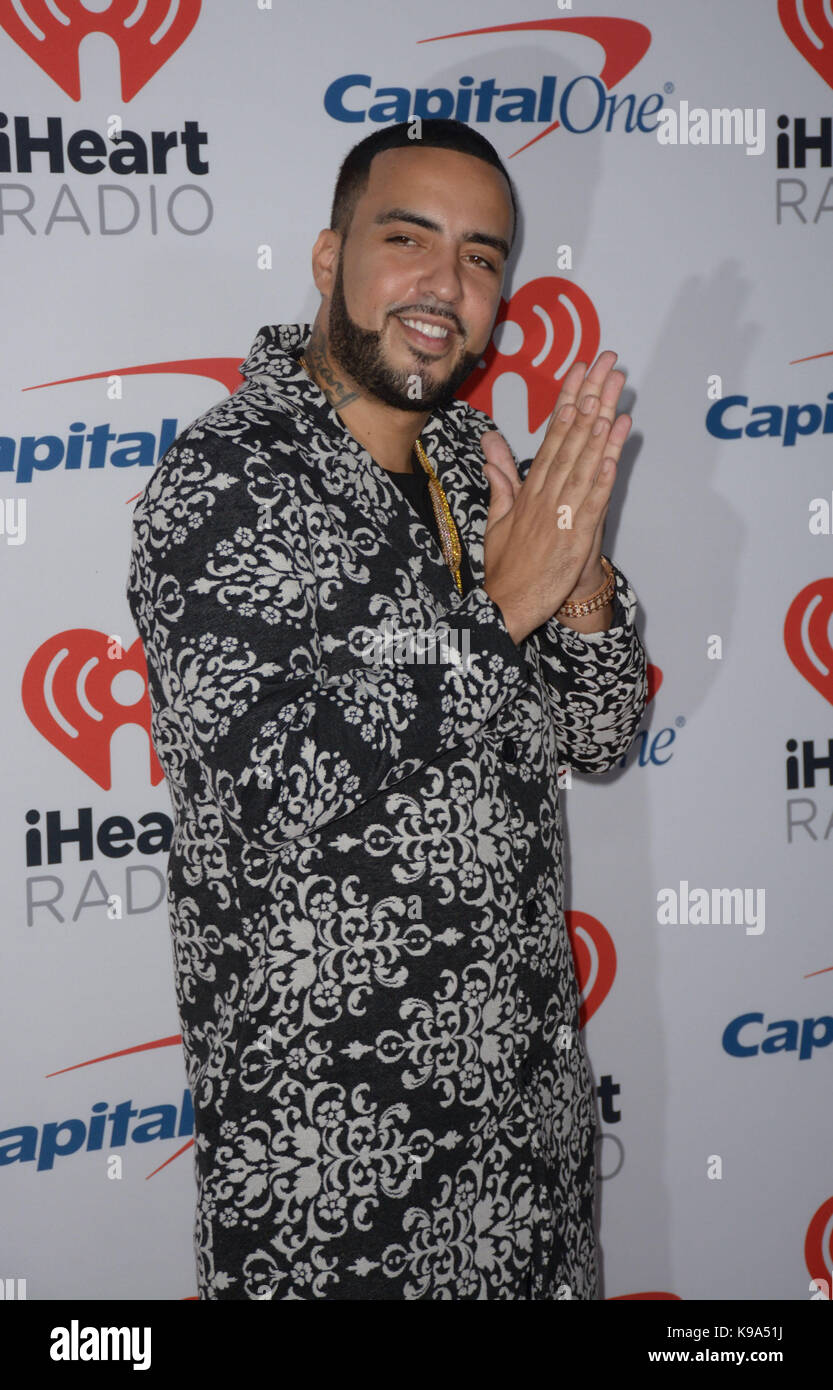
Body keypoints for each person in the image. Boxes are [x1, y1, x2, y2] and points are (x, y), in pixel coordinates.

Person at [126, 118, 647, 1300]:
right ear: (328, 259)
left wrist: (581, 582)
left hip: (525, 1149)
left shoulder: (480, 461)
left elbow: (600, 737)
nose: (444, 285)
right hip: (333, 1171)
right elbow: (273, 782)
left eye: (479, 256)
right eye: (406, 238)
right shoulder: (228, 480)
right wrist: (499, 611)